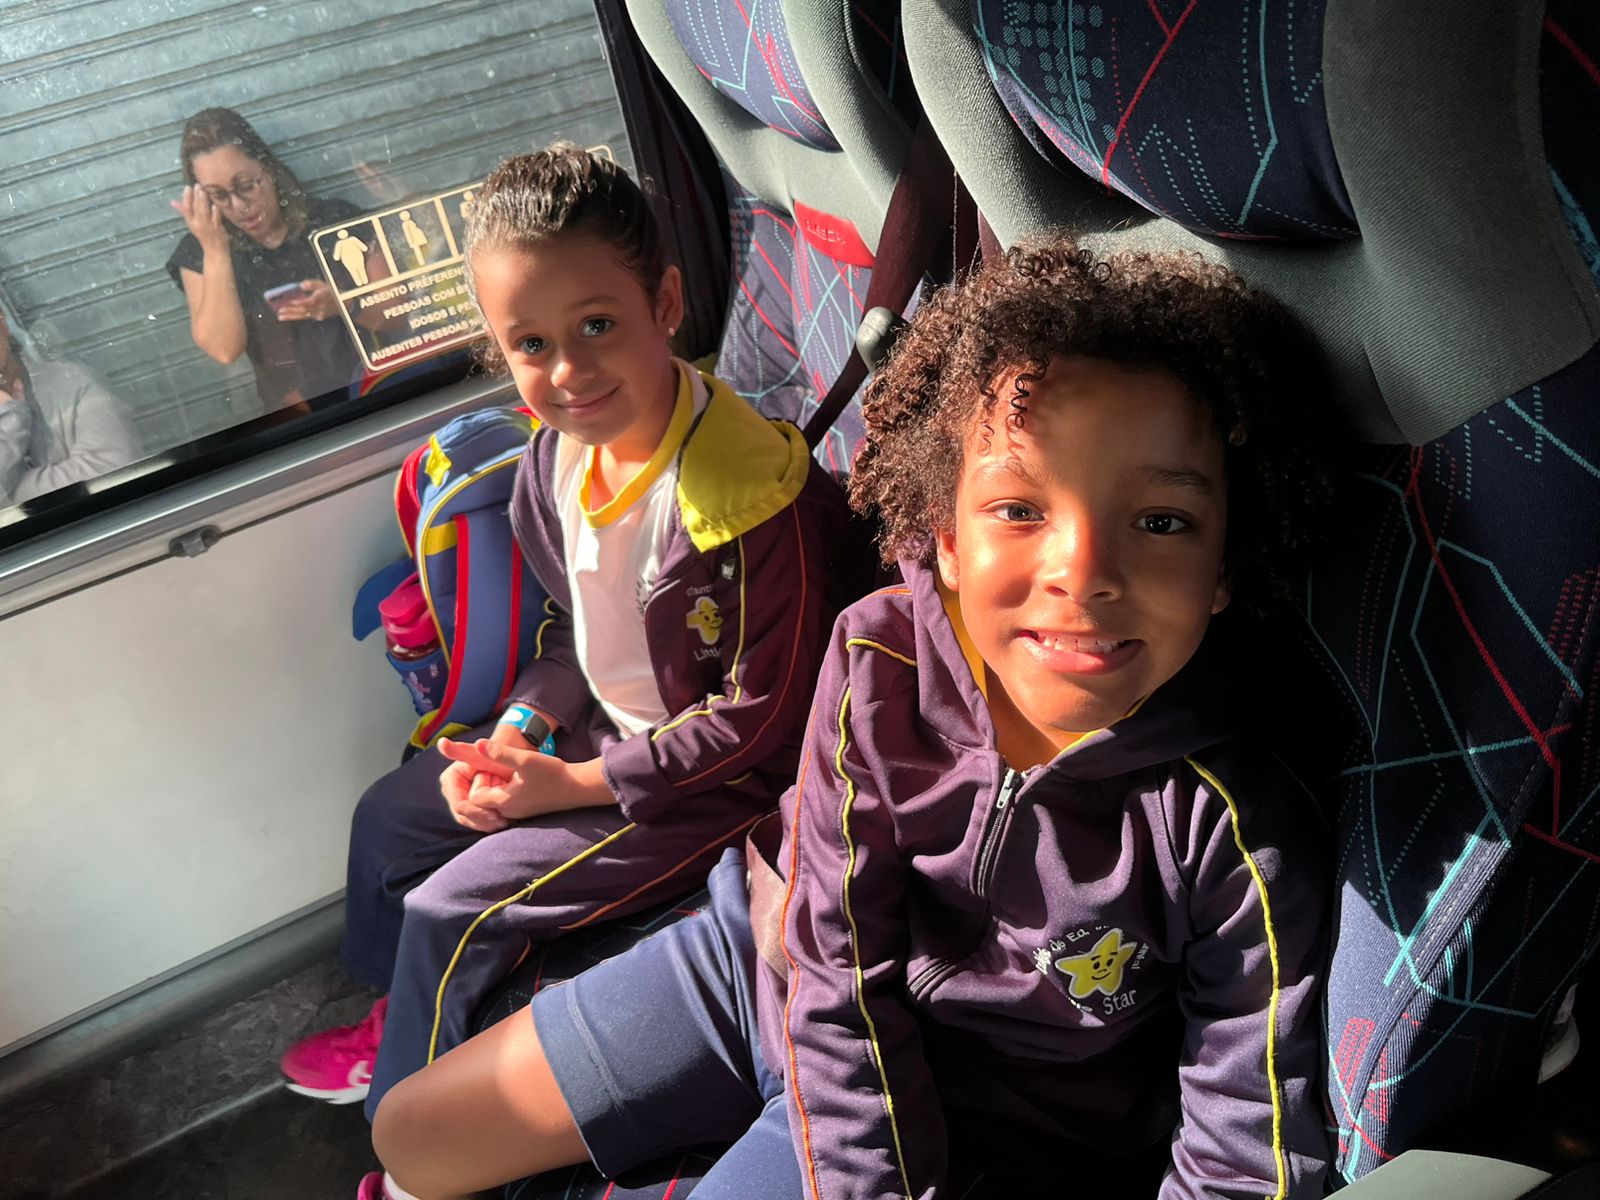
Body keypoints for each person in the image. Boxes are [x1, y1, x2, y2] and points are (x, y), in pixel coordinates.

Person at [368, 236, 1337, 1200]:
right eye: (1019, 510)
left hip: (978, 1114)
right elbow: (835, 960)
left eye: (1161, 522)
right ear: (945, 536)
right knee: (413, 1137)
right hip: (761, 967)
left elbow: (1242, 1147)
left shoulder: (1233, 823)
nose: (1082, 574)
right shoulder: (879, 657)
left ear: (1223, 568)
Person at [277, 143, 853, 1185]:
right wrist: (522, 729)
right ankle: (399, 1013)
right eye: (532, 345)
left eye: (597, 326)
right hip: (596, 732)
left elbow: (762, 721)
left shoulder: (750, 501)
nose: (570, 373)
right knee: (389, 819)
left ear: (664, 303)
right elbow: (572, 632)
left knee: (452, 911)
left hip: (704, 784)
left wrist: (575, 785)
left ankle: (410, 1165)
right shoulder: (553, 460)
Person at [166, 107, 363, 413]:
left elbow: (397, 313)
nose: (239, 205)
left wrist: (343, 303)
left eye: (246, 185)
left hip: (376, 390)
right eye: (218, 195)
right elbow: (223, 349)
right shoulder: (199, 252)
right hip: (299, 417)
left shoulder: (332, 221)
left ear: (268, 169)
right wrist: (216, 250)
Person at [0, 306, 139, 507]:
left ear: (3, 325)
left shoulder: (73, 382)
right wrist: (10, 422)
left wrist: (10, 493)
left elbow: (114, 470)